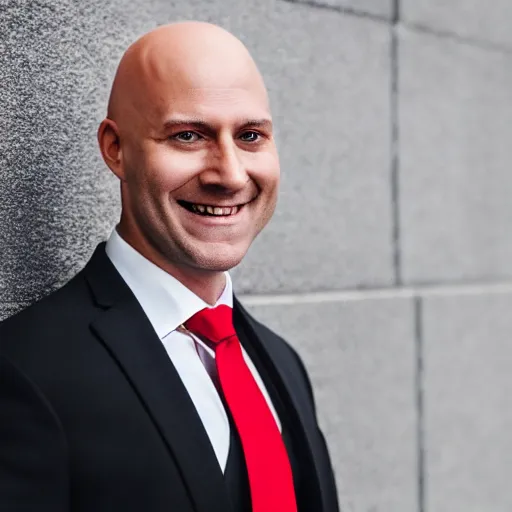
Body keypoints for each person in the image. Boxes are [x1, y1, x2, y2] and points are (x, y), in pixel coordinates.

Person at [0, 21, 339, 512]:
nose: (230, 173)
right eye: (187, 135)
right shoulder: (22, 369)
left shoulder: (280, 361)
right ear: (116, 150)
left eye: (249, 135)